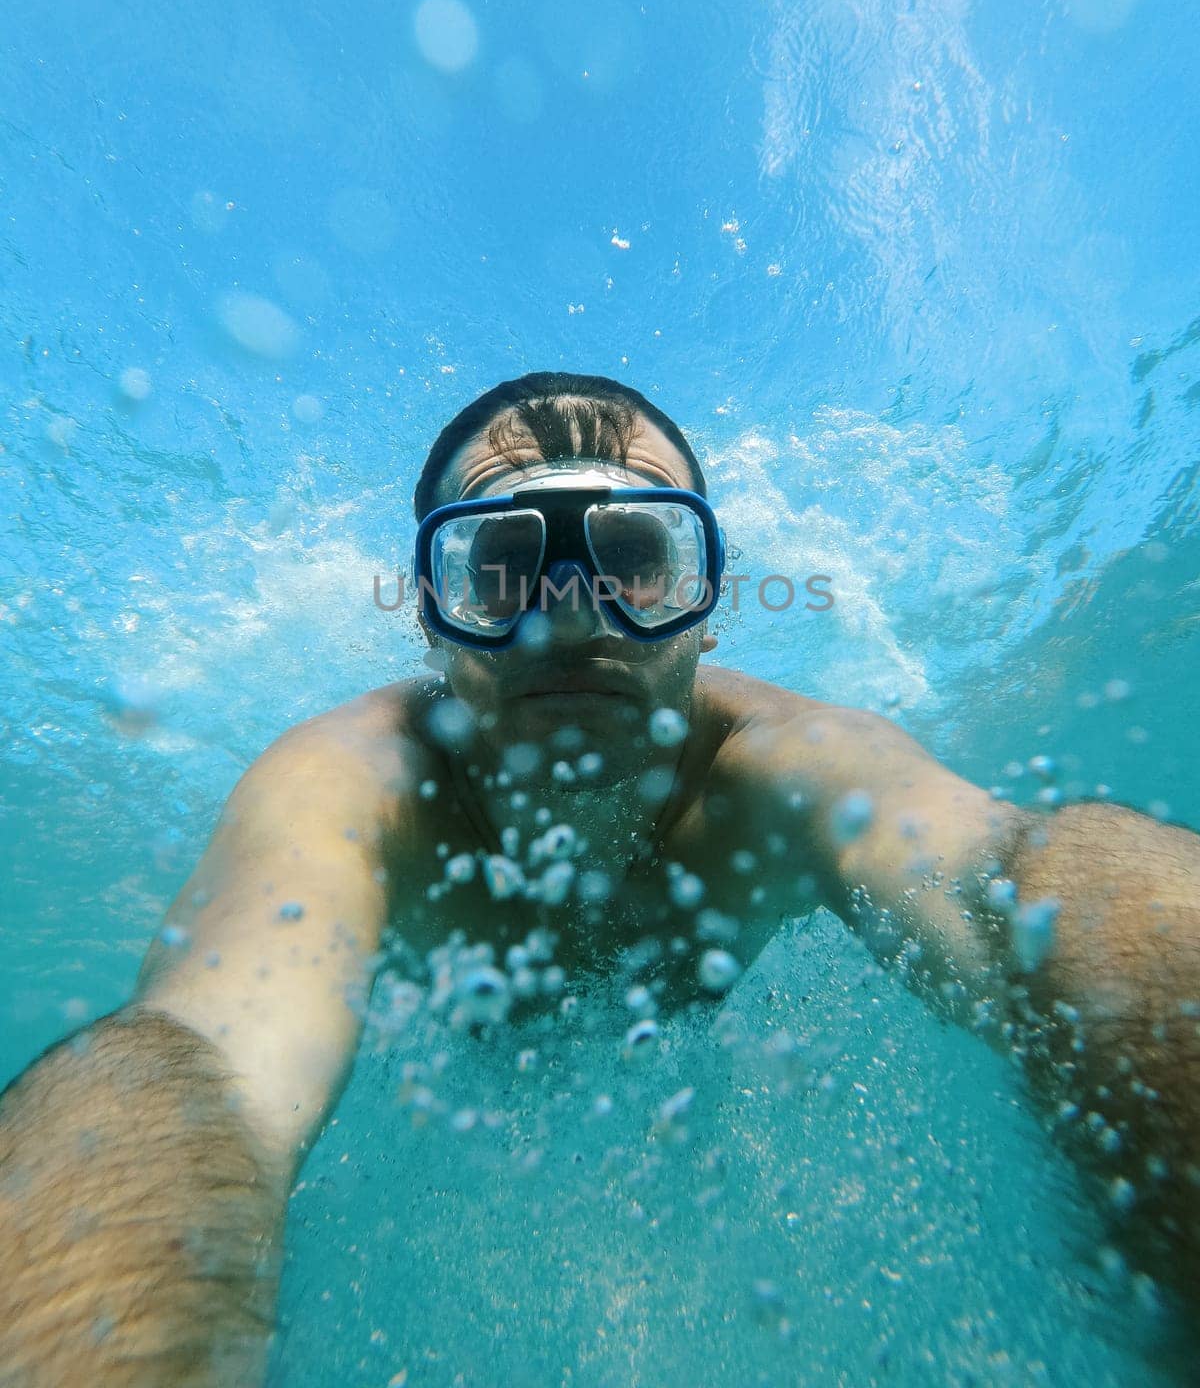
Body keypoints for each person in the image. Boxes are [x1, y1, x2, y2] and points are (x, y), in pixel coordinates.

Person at [1, 370, 1197, 1385]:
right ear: (432, 614)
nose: (570, 618)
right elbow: (208, 1055)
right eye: (505, 567)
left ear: (707, 606)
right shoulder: (356, 783)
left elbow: (1014, 891)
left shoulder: (786, 764)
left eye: (631, 556)